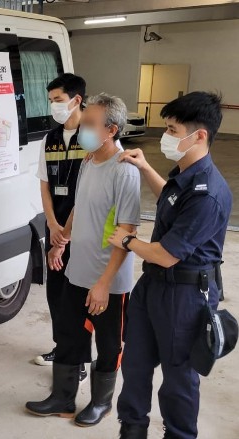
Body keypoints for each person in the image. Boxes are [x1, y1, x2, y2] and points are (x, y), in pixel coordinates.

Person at [112, 92, 232, 439]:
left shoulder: (209, 193)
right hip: (153, 286)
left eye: (171, 129)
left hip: (185, 295)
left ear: (200, 136)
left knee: (178, 375)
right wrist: (146, 167)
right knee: (135, 364)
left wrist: (127, 241)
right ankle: (132, 429)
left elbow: (165, 254)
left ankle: (179, 434)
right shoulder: (185, 176)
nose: (165, 136)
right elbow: (172, 198)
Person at [25, 93, 141, 428]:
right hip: (78, 270)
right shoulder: (90, 159)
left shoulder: (124, 171)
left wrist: (104, 284)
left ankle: (101, 403)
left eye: (90, 124)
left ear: (111, 130)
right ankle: (62, 398)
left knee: (107, 345)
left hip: (109, 281)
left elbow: (126, 232)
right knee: (70, 337)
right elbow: (78, 205)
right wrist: (63, 240)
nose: (82, 130)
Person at [34, 73, 87, 384]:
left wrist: (64, 237)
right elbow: (44, 186)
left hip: (79, 233)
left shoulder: (93, 138)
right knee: (55, 293)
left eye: (58, 100)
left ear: (76, 100)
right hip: (55, 228)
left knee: (76, 296)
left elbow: (89, 190)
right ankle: (61, 346)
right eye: (51, 100)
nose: (53, 105)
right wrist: (52, 224)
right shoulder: (49, 139)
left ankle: (77, 357)